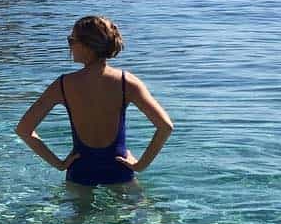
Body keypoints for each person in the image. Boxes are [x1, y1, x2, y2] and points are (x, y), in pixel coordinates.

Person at [15, 15, 174, 188]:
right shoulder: (126, 82)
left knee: (76, 207)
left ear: (87, 46)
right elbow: (165, 126)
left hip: (80, 171)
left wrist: (59, 164)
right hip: (119, 169)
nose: (69, 46)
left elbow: (24, 130)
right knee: (135, 205)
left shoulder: (63, 84)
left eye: (71, 40)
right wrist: (140, 165)